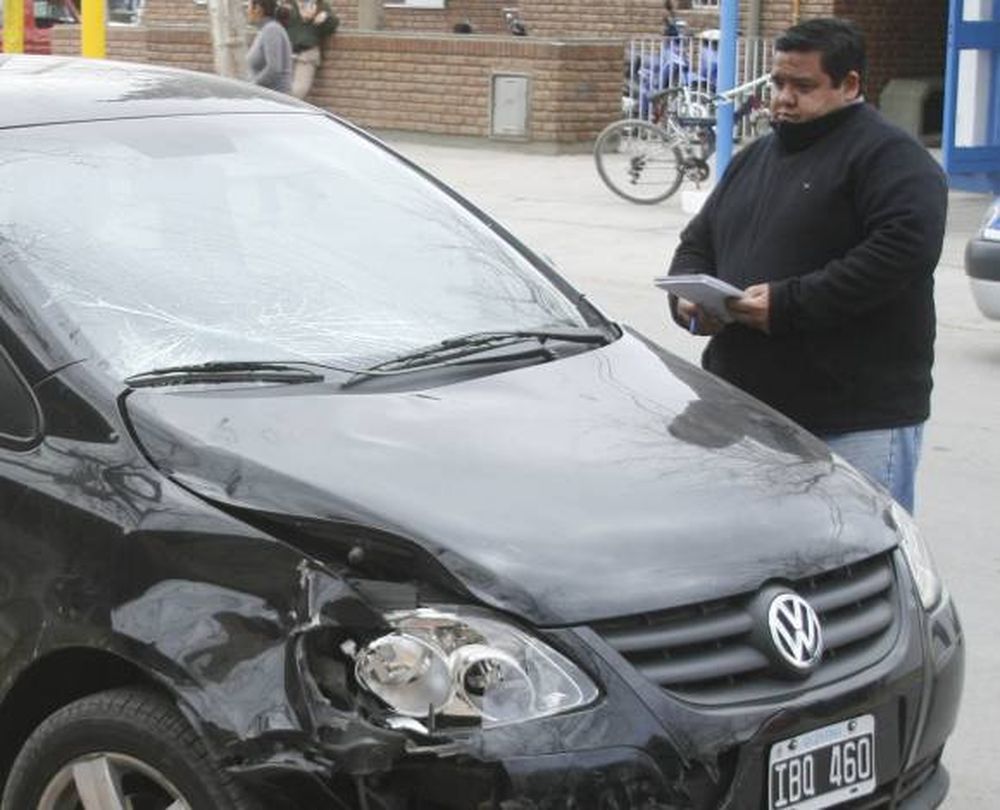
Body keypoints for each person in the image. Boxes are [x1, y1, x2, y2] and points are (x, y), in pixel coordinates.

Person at [665, 17, 947, 514]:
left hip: (853, 419)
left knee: (852, 563)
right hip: (745, 412)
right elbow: (698, 240)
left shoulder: (892, 158)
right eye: (777, 83)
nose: (784, 98)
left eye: (803, 86)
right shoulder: (755, 157)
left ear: (850, 84)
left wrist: (788, 304)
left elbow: (901, 251)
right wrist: (689, 301)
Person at [281, 0, 339, 100]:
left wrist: (325, 16)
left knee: (298, 91)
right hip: (287, 53)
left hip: (307, 55)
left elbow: (333, 24)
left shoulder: (320, 5)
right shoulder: (288, 5)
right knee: (282, 89)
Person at [247, 0, 292, 94]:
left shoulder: (272, 29)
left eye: (249, 6)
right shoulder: (266, 29)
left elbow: (273, 69)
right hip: (264, 97)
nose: (247, 11)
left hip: (275, 100)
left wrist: (250, 87)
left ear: (258, 9)